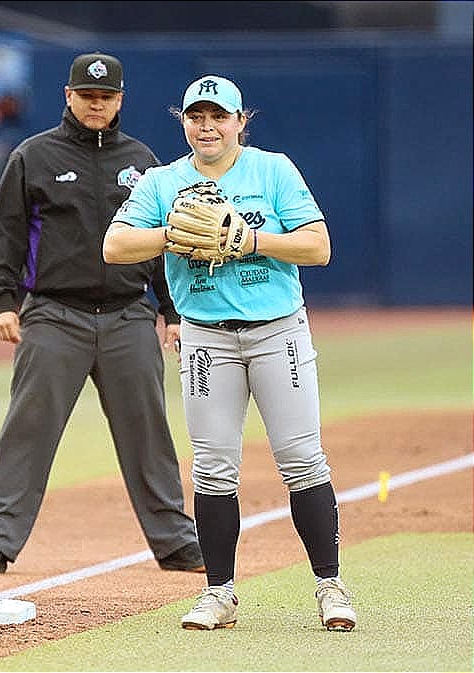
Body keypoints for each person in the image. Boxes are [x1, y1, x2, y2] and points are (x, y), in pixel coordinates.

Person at [103, 74, 357, 631]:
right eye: (197, 116)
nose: (207, 126)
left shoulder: (272, 169)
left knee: (301, 460)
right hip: (206, 336)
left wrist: (248, 239)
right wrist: (174, 232)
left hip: (276, 331)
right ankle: (218, 593)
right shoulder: (163, 181)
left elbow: (318, 247)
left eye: (220, 116)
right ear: (183, 122)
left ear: (241, 122)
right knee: (214, 471)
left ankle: (330, 587)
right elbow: (116, 245)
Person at [0, 53, 204, 576]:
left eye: (107, 97)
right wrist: (3, 301)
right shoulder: (33, 156)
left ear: (120, 100)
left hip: (128, 316)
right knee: (27, 431)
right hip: (55, 315)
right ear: (68, 97)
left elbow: (161, 241)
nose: (97, 105)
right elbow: (4, 233)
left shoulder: (141, 160)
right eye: (87, 96)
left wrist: (172, 310)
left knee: (149, 434)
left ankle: (176, 542)